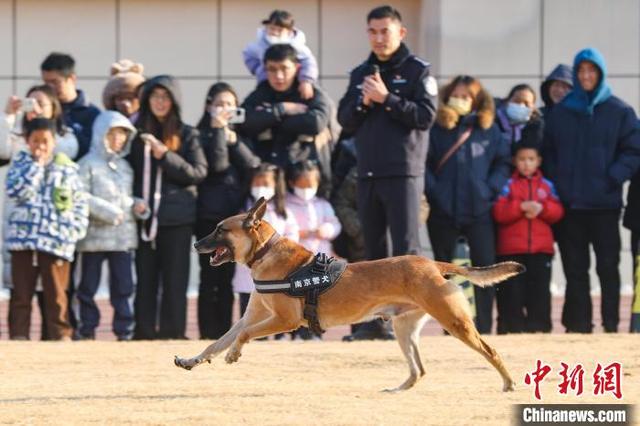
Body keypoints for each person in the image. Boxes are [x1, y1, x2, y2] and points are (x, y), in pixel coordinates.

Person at [336, 5, 437, 339]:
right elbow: (345, 120)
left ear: (401, 33)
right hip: (367, 173)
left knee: (407, 251)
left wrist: (387, 98)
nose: (379, 38)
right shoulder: (360, 72)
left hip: (403, 173)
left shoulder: (418, 71)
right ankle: (372, 326)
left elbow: (425, 116)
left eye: (385, 31)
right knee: (371, 254)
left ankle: (408, 324)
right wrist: (365, 101)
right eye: (373, 32)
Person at [543, 48, 640, 333]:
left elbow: (634, 150)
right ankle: (579, 326)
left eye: (592, 71)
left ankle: (611, 325)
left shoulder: (619, 111)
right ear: (576, 74)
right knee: (575, 270)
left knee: (608, 268)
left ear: (600, 73)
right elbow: (547, 152)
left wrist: (614, 177)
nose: (586, 76)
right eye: (582, 71)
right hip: (570, 207)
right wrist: (558, 183)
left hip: (605, 206)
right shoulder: (561, 112)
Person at [425, 75, 511, 334]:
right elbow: (423, 164)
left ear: (476, 101)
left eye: (466, 96)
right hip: (443, 212)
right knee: (443, 275)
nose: (460, 100)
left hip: (479, 211)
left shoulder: (489, 130)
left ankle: (483, 327)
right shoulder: (437, 129)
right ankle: (450, 327)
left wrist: (489, 189)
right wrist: (436, 192)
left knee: (484, 271)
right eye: (456, 94)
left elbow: (503, 162)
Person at [128, 75, 208, 340]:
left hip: (177, 220)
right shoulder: (136, 135)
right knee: (145, 280)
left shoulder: (187, 133)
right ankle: (144, 332)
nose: (160, 102)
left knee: (175, 281)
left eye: (165, 97)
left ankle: (173, 332)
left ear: (174, 101)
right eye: (154, 96)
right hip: (144, 219)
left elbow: (197, 172)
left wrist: (166, 156)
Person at [0, 84, 79, 340]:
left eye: (45, 141)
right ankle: (19, 338)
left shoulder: (66, 166)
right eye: (35, 141)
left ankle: (60, 337)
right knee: (21, 294)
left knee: (57, 294)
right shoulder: (20, 163)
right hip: (22, 241)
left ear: (54, 141)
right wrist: (35, 167)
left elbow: (78, 201)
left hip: (56, 240)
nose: (40, 147)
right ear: (26, 141)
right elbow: (17, 192)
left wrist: (75, 230)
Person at [195, 82, 260, 339]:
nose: (225, 109)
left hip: (235, 219)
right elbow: (218, 166)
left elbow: (254, 165)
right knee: (208, 276)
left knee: (228, 278)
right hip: (208, 217)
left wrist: (233, 140)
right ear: (208, 107)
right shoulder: (200, 134)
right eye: (219, 104)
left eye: (230, 104)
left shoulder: (240, 136)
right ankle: (206, 332)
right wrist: (218, 133)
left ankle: (223, 331)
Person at [75, 111, 148, 341]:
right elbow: (79, 196)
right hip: (93, 238)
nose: (119, 140)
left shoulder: (126, 166)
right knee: (87, 287)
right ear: (101, 135)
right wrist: (109, 212)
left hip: (122, 239)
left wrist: (139, 207)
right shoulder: (86, 164)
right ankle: (87, 329)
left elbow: (126, 199)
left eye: (123, 135)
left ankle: (124, 330)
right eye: (113, 134)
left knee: (124, 286)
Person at [492, 128, 564, 334]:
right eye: (522, 159)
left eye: (531, 159)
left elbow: (558, 211)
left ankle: (539, 329)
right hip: (511, 250)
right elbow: (499, 212)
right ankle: (511, 329)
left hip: (541, 251)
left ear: (539, 161)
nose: (526, 163)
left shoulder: (547, 185)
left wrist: (543, 209)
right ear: (515, 161)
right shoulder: (507, 185)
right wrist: (520, 207)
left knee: (539, 293)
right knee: (511, 294)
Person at [240, 44, 333, 196]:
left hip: (303, 179)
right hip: (268, 181)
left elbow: (316, 122)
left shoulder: (310, 92)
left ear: (297, 67)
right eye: (272, 69)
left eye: (284, 68)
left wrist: (270, 119)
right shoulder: (260, 93)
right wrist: (282, 109)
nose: (279, 75)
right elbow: (245, 122)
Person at [232, 163, 299, 319]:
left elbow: (292, 233)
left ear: (276, 185)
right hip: (249, 269)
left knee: (276, 305)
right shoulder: (242, 211)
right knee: (249, 309)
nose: (261, 187)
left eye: (266, 184)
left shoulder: (282, 211)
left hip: (276, 267)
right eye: (257, 183)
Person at [243, 10, 319, 100]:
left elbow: (309, 63)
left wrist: (306, 80)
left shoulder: (297, 45)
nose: (275, 33)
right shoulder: (260, 44)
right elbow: (248, 54)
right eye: (272, 28)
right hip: (265, 84)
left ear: (289, 31)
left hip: (294, 85)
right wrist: (259, 69)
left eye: (280, 30)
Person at [41, 52, 100, 160]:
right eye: (46, 83)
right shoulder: (42, 110)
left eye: (55, 82)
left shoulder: (92, 114)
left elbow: (92, 150)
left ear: (72, 78)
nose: (50, 87)